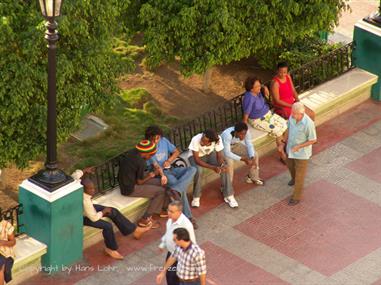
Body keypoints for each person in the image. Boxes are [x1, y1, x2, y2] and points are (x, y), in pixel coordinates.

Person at [81, 177, 151, 260]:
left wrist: (83, 171)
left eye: (93, 188)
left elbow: (75, 175)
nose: (93, 190)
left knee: (112, 211)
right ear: (83, 189)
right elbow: (94, 218)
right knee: (107, 226)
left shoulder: (79, 186)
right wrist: (103, 212)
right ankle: (110, 249)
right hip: (82, 217)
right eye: (90, 189)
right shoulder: (85, 201)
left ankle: (135, 230)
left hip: (86, 211)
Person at [145, 126, 198, 228]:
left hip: (171, 168)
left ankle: (175, 189)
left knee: (193, 169)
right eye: (153, 139)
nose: (156, 141)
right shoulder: (147, 148)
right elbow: (154, 167)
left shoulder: (164, 141)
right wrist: (162, 171)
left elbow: (176, 152)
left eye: (158, 138)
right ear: (148, 137)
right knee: (179, 188)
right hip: (162, 175)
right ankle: (189, 218)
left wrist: (169, 161)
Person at [118, 140, 168, 228]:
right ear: (145, 153)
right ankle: (145, 219)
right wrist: (153, 174)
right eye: (151, 155)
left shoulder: (133, 152)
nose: (150, 157)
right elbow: (140, 182)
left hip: (129, 180)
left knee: (161, 182)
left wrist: (151, 175)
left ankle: (161, 209)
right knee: (160, 191)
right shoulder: (140, 162)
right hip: (129, 188)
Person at [188, 129, 238, 208]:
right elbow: (197, 160)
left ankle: (229, 195)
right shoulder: (195, 139)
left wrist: (222, 165)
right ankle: (196, 197)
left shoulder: (217, 139)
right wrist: (213, 167)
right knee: (198, 170)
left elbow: (219, 156)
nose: (201, 141)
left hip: (209, 154)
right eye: (202, 138)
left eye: (204, 141)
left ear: (210, 142)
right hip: (195, 158)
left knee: (224, 168)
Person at [242, 76, 288, 161]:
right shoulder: (249, 98)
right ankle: (282, 155)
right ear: (251, 89)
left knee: (285, 124)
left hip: (268, 114)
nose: (259, 87)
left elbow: (261, 86)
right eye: (257, 86)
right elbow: (246, 114)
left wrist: (264, 87)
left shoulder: (257, 91)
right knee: (277, 131)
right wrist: (243, 129)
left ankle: (283, 145)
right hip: (258, 120)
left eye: (259, 85)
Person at [282, 102, 317, 206]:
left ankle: (296, 197)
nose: (292, 115)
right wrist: (284, 140)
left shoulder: (308, 124)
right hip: (290, 150)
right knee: (290, 166)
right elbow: (288, 128)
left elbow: (313, 140)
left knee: (300, 176)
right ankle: (293, 178)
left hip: (302, 154)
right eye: (292, 112)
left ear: (301, 114)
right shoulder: (292, 117)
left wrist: (299, 147)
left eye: (295, 113)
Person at [158, 201, 196, 285]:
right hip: (171, 252)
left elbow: (191, 243)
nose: (169, 213)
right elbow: (168, 232)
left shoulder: (186, 225)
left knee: (174, 277)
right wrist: (163, 244)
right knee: (170, 275)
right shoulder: (170, 220)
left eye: (172, 211)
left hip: (181, 257)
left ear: (179, 212)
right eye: (168, 210)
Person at [0, 208, 16, 285]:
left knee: (3, 268)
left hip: (6, 252)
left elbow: (13, 242)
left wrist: (3, 242)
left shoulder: (6, 225)